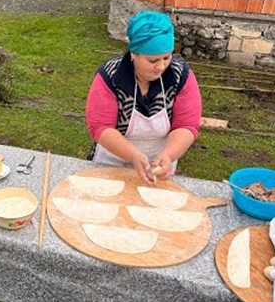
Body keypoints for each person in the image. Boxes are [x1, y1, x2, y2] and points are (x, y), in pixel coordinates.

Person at [85, 10, 202, 184]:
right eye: (152, 61)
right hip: (111, 162)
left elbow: (187, 125)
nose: (161, 67)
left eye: (166, 57)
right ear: (134, 53)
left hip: (158, 168)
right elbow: (101, 127)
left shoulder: (180, 76)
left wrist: (169, 155)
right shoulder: (111, 76)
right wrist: (132, 154)